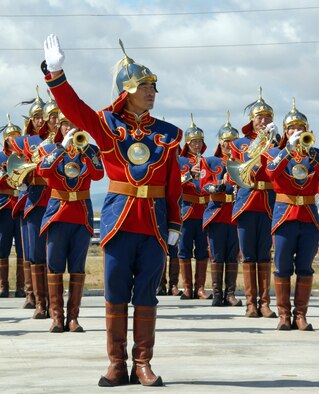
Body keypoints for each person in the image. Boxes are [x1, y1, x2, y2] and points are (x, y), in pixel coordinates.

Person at [43, 34, 182, 387]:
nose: (152, 92)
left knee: (147, 295)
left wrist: (176, 222)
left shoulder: (167, 133)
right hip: (119, 222)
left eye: (154, 87)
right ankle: (117, 363)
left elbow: (173, 182)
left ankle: (144, 363)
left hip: (153, 223)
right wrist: (56, 74)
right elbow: (74, 110)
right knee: (115, 293)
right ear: (127, 89)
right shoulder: (108, 127)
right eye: (145, 86)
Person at [37, 113, 104, 333]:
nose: (70, 128)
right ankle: (57, 317)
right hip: (58, 214)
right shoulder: (50, 149)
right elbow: (43, 171)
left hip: (81, 216)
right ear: (59, 125)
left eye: (75, 124)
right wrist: (61, 149)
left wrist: (85, 151)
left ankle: (73, 318)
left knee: (77, 268)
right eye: (66, 124)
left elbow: (98, 175)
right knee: (54, 267)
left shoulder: (90, 150)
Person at [265, 99, 319, 331]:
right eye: (291, 128)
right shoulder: (275, 153)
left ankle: (301, 315)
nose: (296, 132)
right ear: (285, 132)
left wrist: (309, 151)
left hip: (308, 215)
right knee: (283, 265)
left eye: (300, 128)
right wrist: (288, 149)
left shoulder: (315, 154)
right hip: (285, 215)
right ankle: (284, 315)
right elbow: (270, 172)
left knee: (305, 267)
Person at [228, 88, 277, 318]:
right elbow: (246, 162)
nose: (264, 121)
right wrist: (261, 140)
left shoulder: (278, 143)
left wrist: (275, 142)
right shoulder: (239, 144)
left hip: (268, 202)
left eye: (268, 117)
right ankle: (250, 303)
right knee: (248, 255)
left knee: (264, 254)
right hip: (247, 203)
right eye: (260, 117)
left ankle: (265, 302)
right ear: (251, 120)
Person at [10, 87, 53, 318]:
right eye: (35, 116)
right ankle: (37, 300)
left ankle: (52, 304)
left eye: (42, 116)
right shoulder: (28, 142)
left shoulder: (57, 140)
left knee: (51, 254)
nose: (39, 120)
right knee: (34, 253)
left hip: (56, 198)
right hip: (35, 197)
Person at [200, 112, 242, 307]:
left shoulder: (242, 162)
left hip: (235, 213)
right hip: (217, 212)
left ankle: (230, 294)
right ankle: (217, 294)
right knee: (217, 255)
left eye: (233, 141)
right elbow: (204, 184)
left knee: (233, 255)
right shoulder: (209, 162)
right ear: (219, 141)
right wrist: (217, 184)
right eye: (226, 141)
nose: (228, 144)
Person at [178, 114, 211, 300]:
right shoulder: (180, 162)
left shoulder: (207, 162)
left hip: (203, 211)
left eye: (199, 141)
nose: (196, 145)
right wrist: (190, 173)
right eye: (193, 142)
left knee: (202, 250)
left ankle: (200, 288)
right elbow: (176, 184)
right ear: (187, 144)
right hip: (187, 210)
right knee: (183, 250)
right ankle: (187, 288)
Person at [0, 115, 24, 298]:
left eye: (17, 135)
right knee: (3, 246)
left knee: (24, 248)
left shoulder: (24, 155)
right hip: (6, 206)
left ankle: (22, 287)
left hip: (21, 205)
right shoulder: (0, 157)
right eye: (11, 136)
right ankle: (3, 286)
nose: (14, 139)